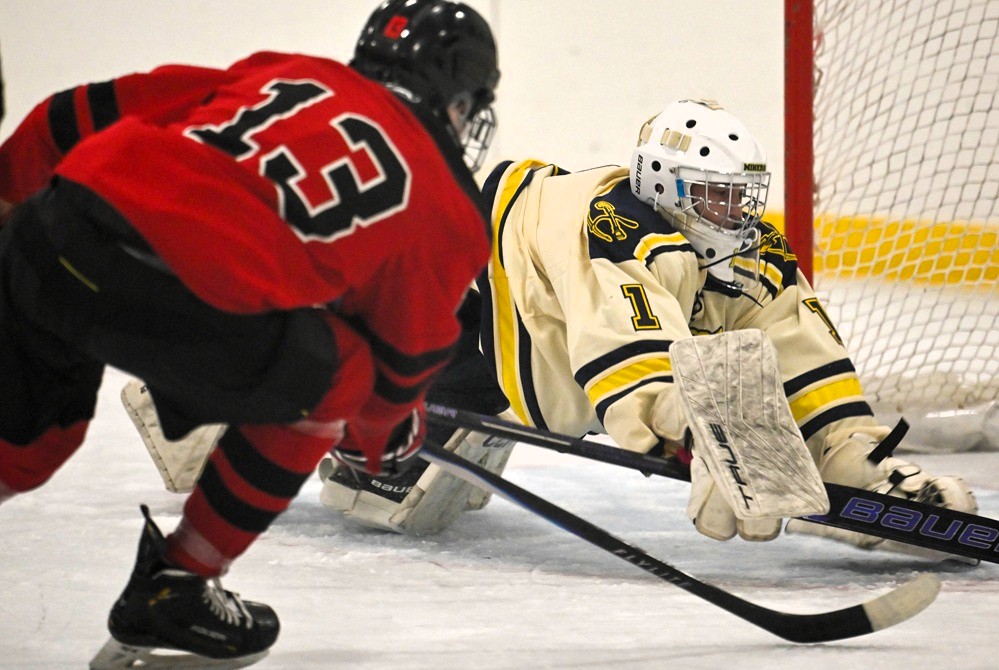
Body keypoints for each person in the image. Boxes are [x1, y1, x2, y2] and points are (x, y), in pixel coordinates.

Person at [0, 0, 499, 665]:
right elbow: (393, 375)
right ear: (460, 102)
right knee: (340, 372)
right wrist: (386, 433)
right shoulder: (449, 205)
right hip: (169, 291)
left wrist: (7, 198)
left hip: (52, 228)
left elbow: (76, 112)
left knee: (24, 451)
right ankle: (177, 587)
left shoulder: (286, 71)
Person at [318, 98, 979, 561]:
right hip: (468, 307)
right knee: (390, 491)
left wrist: (846, 453)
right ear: (663, 185)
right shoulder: (620, 225)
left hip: (531, 341)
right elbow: (626, 346)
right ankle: (349, 438)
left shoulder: (744, 249)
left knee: (447, 475)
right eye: (716, 196)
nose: (736, 214)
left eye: (743, 196)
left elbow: (802, 349)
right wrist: (690, 428)